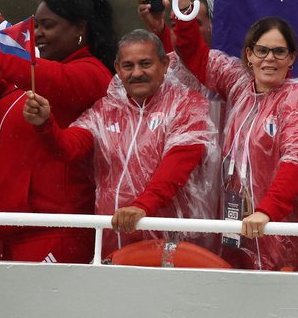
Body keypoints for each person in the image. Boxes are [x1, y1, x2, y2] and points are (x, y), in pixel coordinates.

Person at [166, 0, 298, 271]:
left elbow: (295, 161)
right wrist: (183, 10)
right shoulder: (237, 83)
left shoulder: (296, 96)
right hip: (236, 223)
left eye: (279, 52)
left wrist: (266, 212)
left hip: (279, 229)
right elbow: (194, 54)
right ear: (248, 54)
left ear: (292, 58)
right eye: (261, 51)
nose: (269, 59)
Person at [21, 29, 218, 256]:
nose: (137, 73)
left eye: (145, 64)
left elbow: (176, 167)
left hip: (171, 244)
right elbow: (69, 148)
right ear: (117, 68)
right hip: (114, 240)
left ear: (164, 65)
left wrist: (142, 206)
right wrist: (45, 124)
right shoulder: (107, 109)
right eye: (128, 66)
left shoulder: (187, 105)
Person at [0, 0, 116, 263]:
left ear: (79, 28)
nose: (38, 34)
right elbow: (4, 80)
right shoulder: (31, 72)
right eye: (35, 26)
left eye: (48, 26)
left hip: (55, 232)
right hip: (14, 232)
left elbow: (45, 75)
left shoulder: (93, 74)